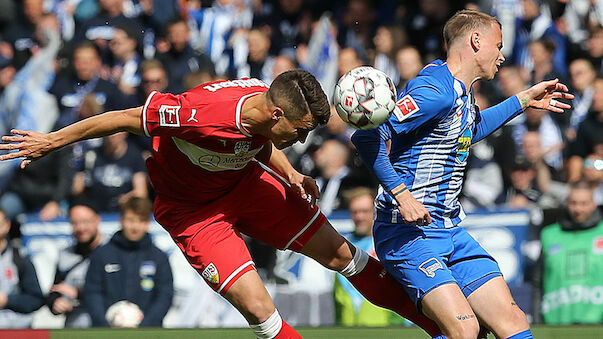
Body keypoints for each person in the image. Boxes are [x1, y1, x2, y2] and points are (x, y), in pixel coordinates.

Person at [0, 70, 442, 338]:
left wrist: (290, 173)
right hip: (193, 212)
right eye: (300, 130)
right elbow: (123, 118)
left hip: (246, 184)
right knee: (259, 308)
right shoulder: (198, 115)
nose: (303, 141)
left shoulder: (266, 107)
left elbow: (260, 144)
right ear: (276, 114)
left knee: (344, 255)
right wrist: (52, 140)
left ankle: (441, 330)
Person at [352, 10, 573, 339]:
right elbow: (368, 136)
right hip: (408, 234)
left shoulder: (459, 90)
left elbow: (469, 128)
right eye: (498, 45)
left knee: (513, 323)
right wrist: (402, 194)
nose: (502, 55)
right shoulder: (435, 91)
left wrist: (523, 100)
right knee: (465, 329)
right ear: (475, 40)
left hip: (449, 230)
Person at [83, 197, 173, 327]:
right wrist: (104, 326)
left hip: (148, 331)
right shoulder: (102, 255)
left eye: (141, 221)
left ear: (148, 223)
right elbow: (93, 292)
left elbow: (164, 295)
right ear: (121, 220)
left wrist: (146, 326)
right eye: (130, 220)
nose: (135, 226)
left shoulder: (159, 257)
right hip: (108, 330)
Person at [334, 187, 400, 327]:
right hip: (347, 332)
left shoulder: (390, 246)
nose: (359, 217)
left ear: (375, 212)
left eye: (364, 211)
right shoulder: (341, 246)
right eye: (355, 212)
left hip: (385, 332)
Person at [539, 181, 603, 324]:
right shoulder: (549, 235)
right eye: (573, 203)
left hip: (597, 325)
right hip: (555, 325)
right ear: (567, 203)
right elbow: (538, 281)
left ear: (594, 203)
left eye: (584, 203)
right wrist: (537, 320)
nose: (578, 209)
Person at [46, 200, 104, 328]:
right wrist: (55, 302)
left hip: (107, 325)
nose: (81, 228)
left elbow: (117, 291)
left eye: (85, 222)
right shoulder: (65, 254)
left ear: (97, 220)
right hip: (75, 325)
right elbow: (55, 289)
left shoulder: (112, 251)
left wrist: (79, 293)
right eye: (75, 223)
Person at [0, 207, 45, 328]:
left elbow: (35, 300)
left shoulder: (19, 258)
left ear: (7, 225)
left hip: (16, 327)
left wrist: (7, 300)